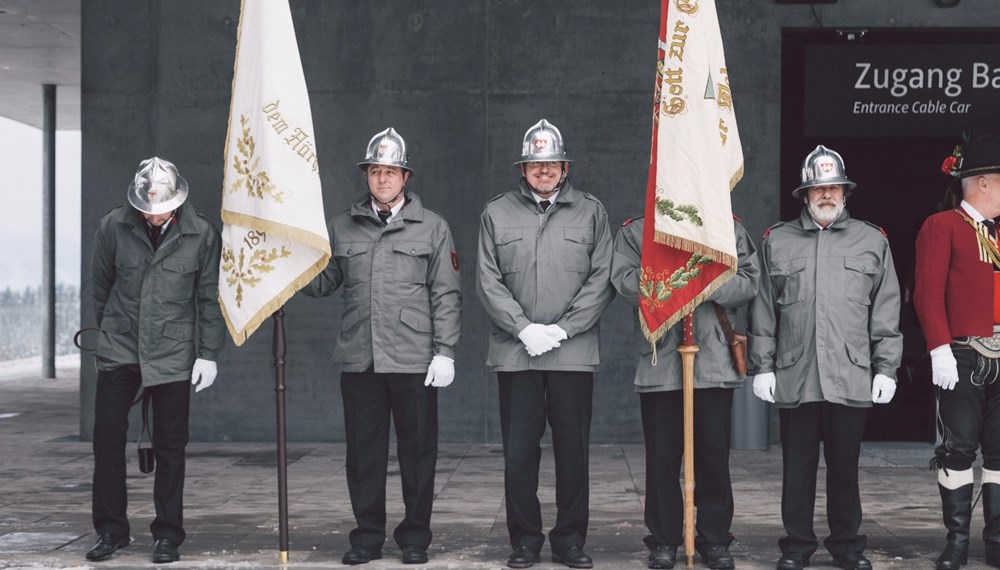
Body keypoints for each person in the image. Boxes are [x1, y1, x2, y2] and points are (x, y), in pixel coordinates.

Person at [304, 127, 461, 566]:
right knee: (364, 455)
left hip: (414, 359)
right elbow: (325, 283)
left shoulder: (432, 227)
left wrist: (445, 351)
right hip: (361, 357)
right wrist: (289, 265)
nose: (383, 179)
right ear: (367, 176)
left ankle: (415, 538)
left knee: (417, 454)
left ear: (405, 176)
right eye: (375, 171)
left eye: (390, 171)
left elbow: (446, 293)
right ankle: (367, 538)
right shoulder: (341, 226)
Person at [748, 145, 902, 570]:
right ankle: (796, 548)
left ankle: (848, 547)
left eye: (834, 187)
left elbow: (885, 309)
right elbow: (763, 309)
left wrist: (885, 366)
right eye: (819, 188)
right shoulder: (777, 240)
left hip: (850, 374)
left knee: (844, 469)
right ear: (804, 195)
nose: (827, 195)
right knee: (796, 470)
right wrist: (762, 366)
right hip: (796, 374)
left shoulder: (872, 240)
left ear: (845, 192)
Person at [476, 118, 614, 569]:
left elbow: (602, 278)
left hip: (571, 355)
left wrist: (562, 329)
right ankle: (525, 542)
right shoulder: (496, 213)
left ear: (565, 167)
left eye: (551, 163)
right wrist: (523, 328)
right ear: (523, 169)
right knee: (519, 456)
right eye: (535, 164)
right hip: (517, 355)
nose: (544, 170)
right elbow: (487, 280)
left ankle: (570, 540)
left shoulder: (592, 212)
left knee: (573, 454)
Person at [87, 157, 225, 564]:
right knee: (107, 441)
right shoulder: (113, 226)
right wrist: (114, 329)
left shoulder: (201, 232)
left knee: (170, 446)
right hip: (120, 348)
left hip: (173, 351)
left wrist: (208, 353)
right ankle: (111, 531)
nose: (153, 214)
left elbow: (209, 297)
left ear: (177, 200)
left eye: (161, 208)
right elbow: (101, 287)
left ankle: (168, 535)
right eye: (147, 208)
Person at [611, 214, 760, 570]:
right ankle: (663, 540)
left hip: (712, 364)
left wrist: (704, 282)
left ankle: (714, 540)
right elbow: (623, 280)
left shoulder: (728, 225)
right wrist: (669, 277)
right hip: (660, 362)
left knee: (713, 458)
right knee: (662, 460)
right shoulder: (637, 230)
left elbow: (750, 281)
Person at [914, 133, 1000, 570]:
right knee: (958, 450)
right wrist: (939, 349)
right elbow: (928, 294)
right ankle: (958, 542)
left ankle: (998, 542)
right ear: (982, 183)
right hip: (963, 355)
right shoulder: (942, 225)